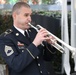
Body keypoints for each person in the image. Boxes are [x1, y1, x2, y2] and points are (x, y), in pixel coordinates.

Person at [0, 2, 57, 75]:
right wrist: (35, 43)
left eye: (30, 15)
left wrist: (50, 45)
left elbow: (47, 58)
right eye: (26, 15)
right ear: (15, 16)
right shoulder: (6, 38)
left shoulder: (34, 32)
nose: (29, 19)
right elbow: (16, 65)